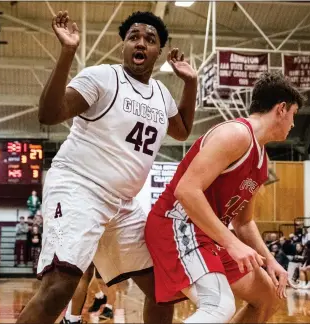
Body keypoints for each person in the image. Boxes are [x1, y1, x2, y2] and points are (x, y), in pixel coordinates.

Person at [16, 9, 197, 324]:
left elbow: (182, 130)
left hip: (123, 204)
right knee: (60, 287)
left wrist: (191, 83)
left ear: (158, 51)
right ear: (123, 45)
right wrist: (67, 53)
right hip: (78, 187)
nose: (140, 43)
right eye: (133, 37)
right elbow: (49, 113)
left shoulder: (162, 95)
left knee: (163, 289)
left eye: (149, 39)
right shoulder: (102, 77)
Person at [145, 71, 303, 323]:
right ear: (281, 109)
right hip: (177, 225)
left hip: (208, 236)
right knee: (219, 305)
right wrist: (231, 243)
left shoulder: (262, 160)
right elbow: (186, 190)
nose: (293, 123)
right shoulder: (236, 135)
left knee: (269, 297)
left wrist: (270, 260)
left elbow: (243, 222)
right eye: (294, 114)